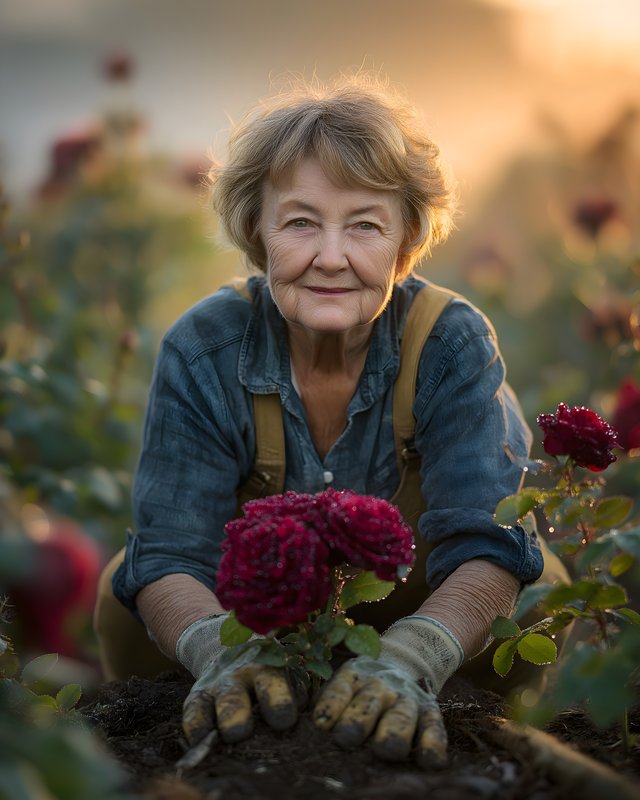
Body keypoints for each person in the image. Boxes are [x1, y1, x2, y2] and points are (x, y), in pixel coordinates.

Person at [94, 74, 569, 767]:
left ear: (407, 239)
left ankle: (491, 742)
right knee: (124, 584)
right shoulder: (204, 347)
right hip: (248, 618)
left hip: (421, 603)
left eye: (365, 225)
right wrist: (213, 650)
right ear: (257, 229)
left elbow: (489, 541)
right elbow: (171, 552)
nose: (332, 258)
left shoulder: (450, 342)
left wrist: (414, 655)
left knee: (538, 586)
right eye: (300, 222)